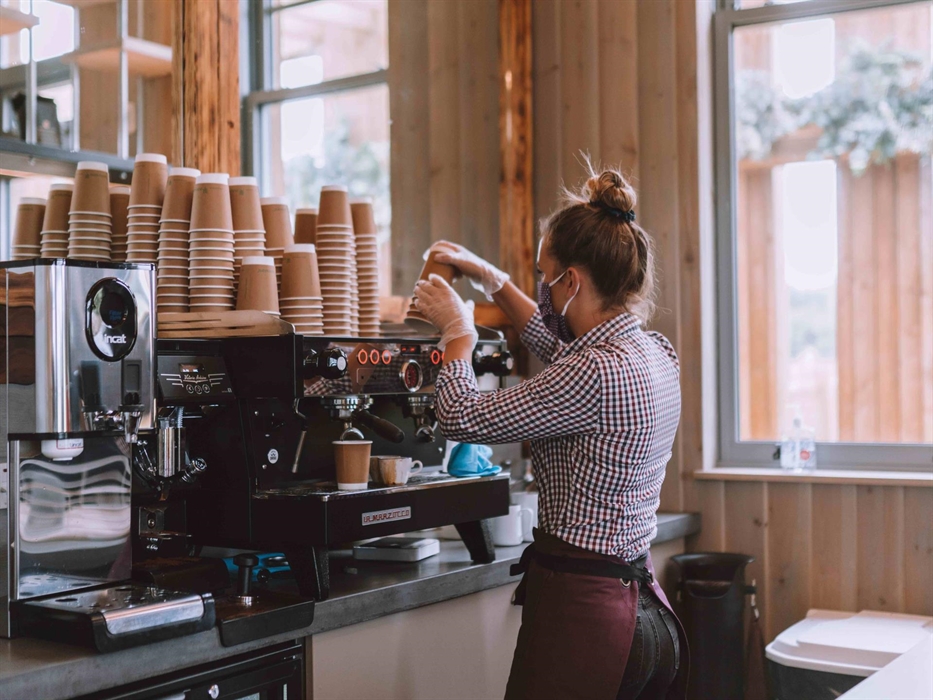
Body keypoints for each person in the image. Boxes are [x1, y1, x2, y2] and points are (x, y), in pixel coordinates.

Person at [412, 166, 686, 700]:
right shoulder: (654, 352)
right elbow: (561, 351)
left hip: (586, 619)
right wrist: (494, 281)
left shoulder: (593, 371)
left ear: (572, 282)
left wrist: (457, 335)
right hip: (646, 617)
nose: (541, 289)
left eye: (545, 276)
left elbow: (460, 415)